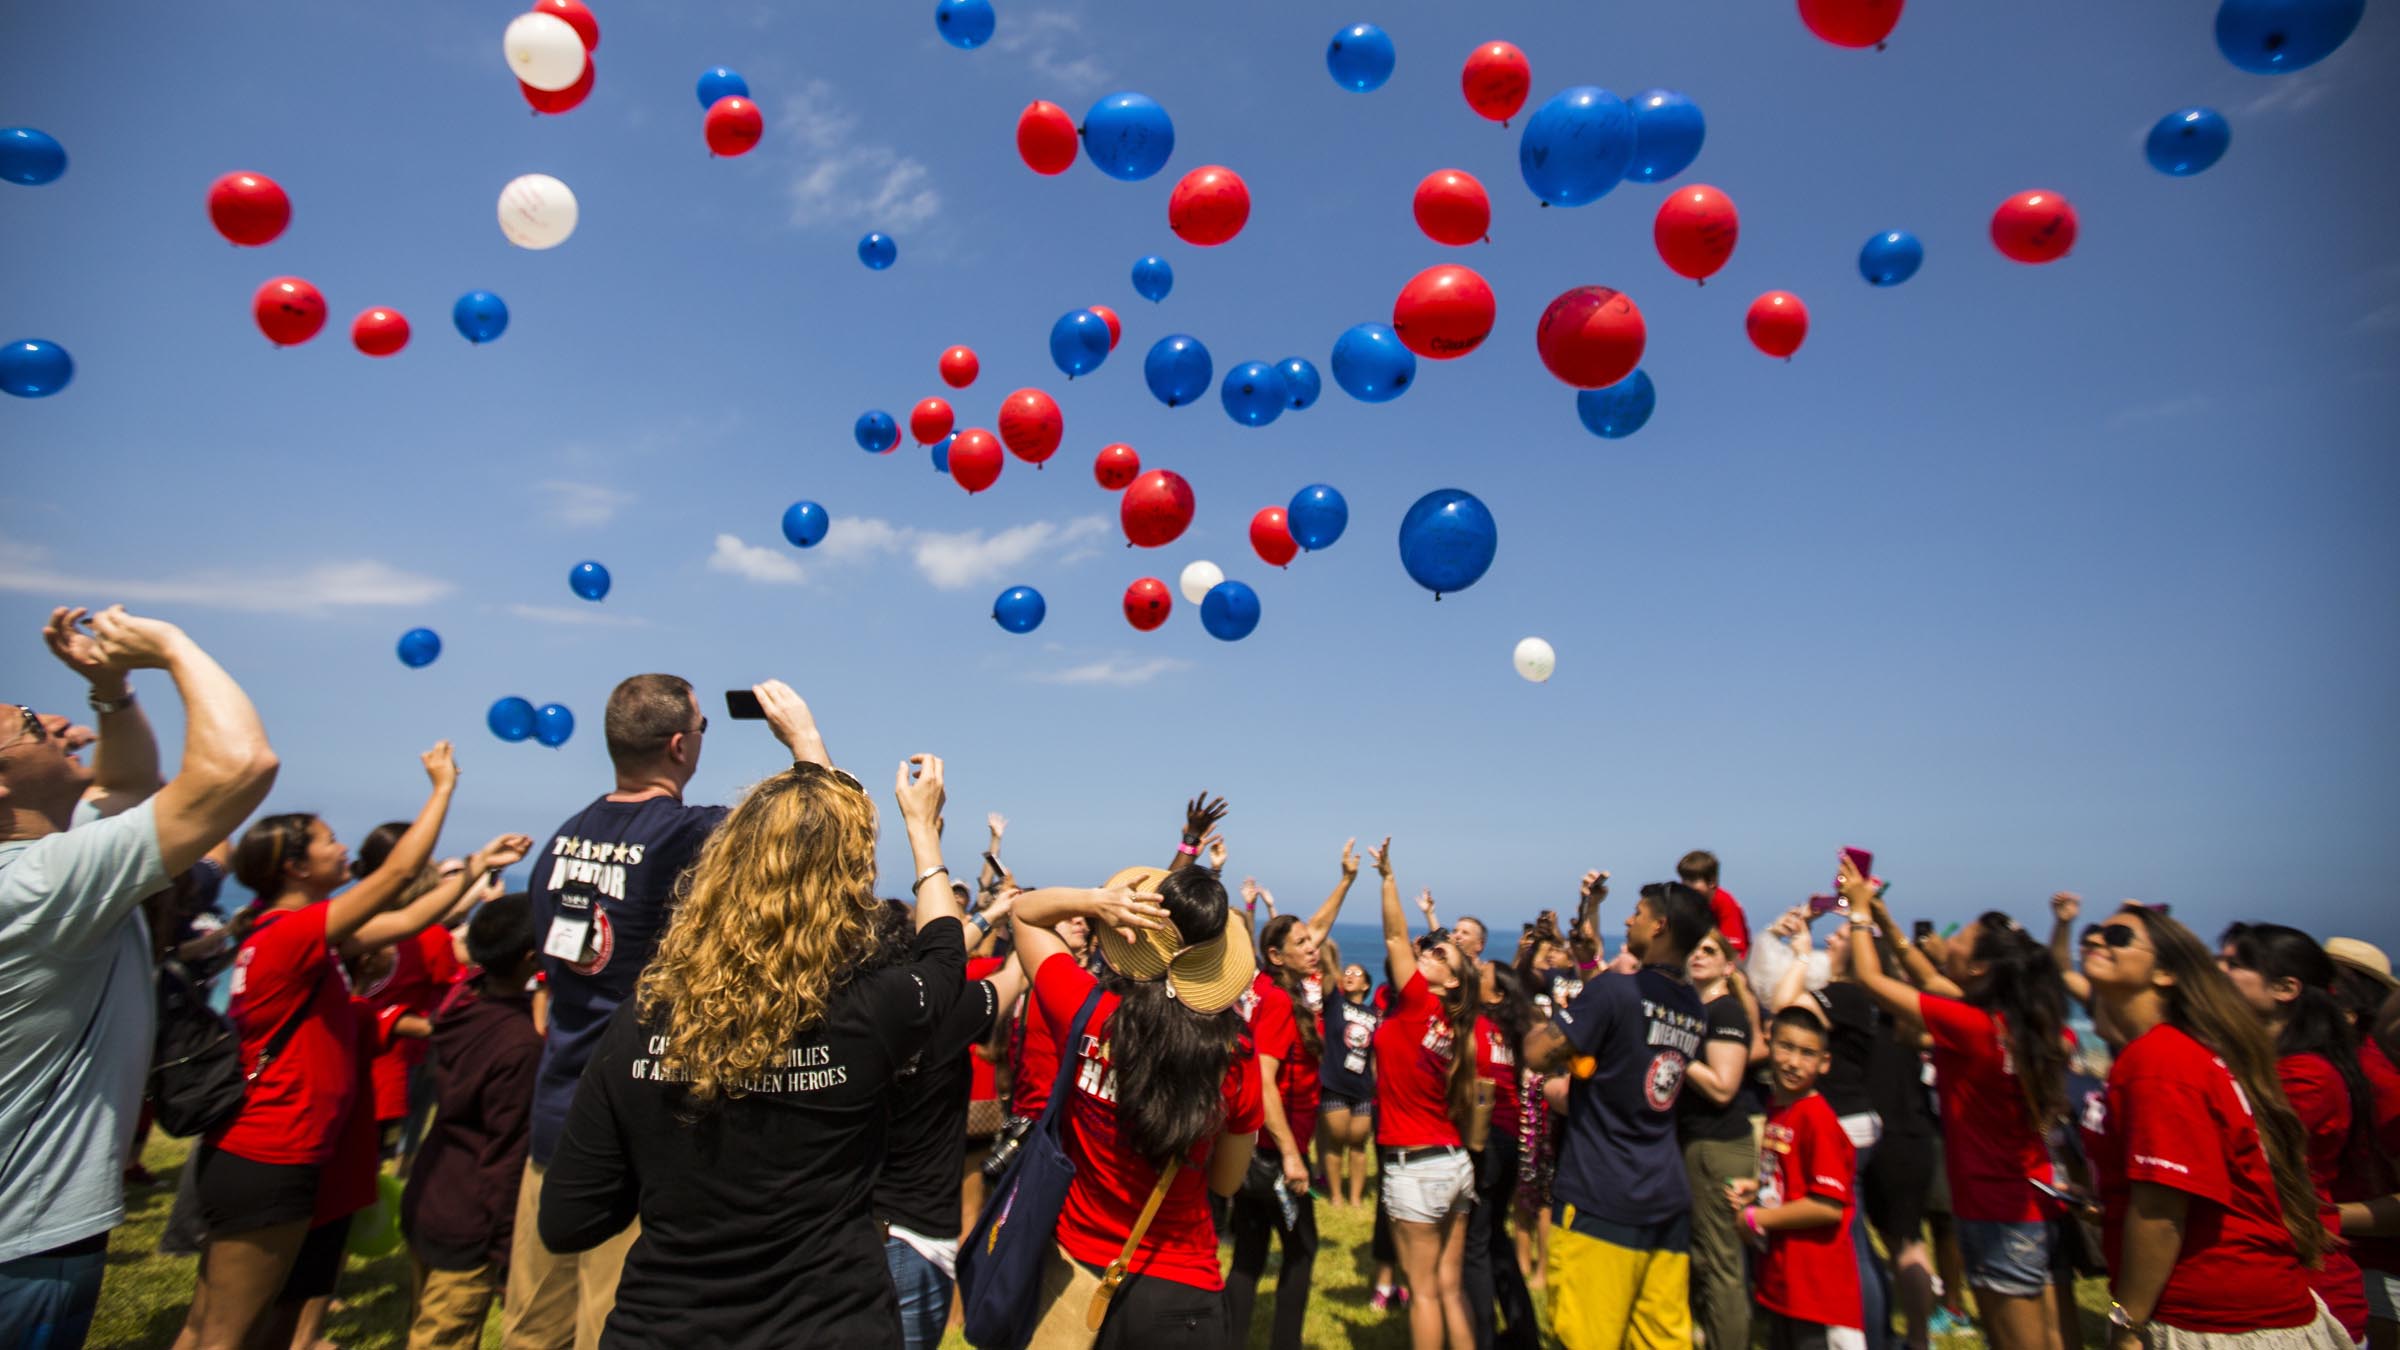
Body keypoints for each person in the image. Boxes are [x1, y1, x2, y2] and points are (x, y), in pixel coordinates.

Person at [536, 731, 968, 1345]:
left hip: (662, 1327)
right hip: (831, 1327)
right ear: (853, 883)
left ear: (721, 866)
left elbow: (570, 1221)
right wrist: (924, 834)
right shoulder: (875, 1009)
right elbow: (946, 958)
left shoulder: (645, 1017)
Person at [509, 674, 823, 1350]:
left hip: (558, 1108)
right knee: (614, 1322)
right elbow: (811, 843)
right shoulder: (689, 835)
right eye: (704, 730)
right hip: (638, 1123)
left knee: (533, 1325)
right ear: (681, 745)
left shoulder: (560, 841)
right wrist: (803, 741)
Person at [2, 606, 278, 1350]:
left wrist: (113, 693)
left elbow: (125, 788)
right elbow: (239, 769)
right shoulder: (38, 888)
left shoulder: (41, 866)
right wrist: (172, 646)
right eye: (25, 721)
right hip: (22, 1247)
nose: (51, 724)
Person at [182, 741, 499, 1350]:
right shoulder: (294, 932)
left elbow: (409, 920)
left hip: (262, 1149)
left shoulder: (283, 929)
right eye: (329, 840)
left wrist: (479, 864)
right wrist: (442, 791)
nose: (341, 848)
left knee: (215, 1324)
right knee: (228, 1333)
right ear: (296, 868)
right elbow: (399, 877)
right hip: (272, 1152)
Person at [2077, 904, 2352, 1347]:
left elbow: (2162, 1211)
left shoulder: (2160, 1060)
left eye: (2118, 938)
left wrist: (2126, 1322)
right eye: (2092, 933)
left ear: (2165, 973)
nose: (2094, 942)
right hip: (2233, 1307)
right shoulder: (2169, 1052)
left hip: (2216, 1316)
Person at [1009, 867, 1262, 1348]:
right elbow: (1226, 1183)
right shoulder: (1234, 1058)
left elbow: (1025, 915)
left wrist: (1096, 900)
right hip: (1184, 1286)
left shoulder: (1085, 1011)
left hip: (1076, 1270)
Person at [1838, 857, 2071, 1350]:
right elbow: (1925, 975)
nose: (1947, 944)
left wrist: (1857, 914)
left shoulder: (1973, 1028)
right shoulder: (2012, 1021)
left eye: (1959, 939)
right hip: (2028, 1201)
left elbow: (1872, 979)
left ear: (1980, 967)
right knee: (2050, 1335)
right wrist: (1879, 913)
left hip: (1995, 1208)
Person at [1520, 876, 1712, 1350]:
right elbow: (1626, 1042)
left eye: (1639, 913)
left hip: (1602, 1195)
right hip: (1664, 1198)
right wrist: (1588, 967)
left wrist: (1543, 1019)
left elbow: (1538, 1053)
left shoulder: (1614, 993)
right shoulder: (1693, 1007)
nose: (1630, 919)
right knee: (1659, 1338)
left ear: (1660, 926)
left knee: (1584, 1336)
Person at [875, 890, 1024, 1350]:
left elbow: (941, 955)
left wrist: (988, 914)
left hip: (863, 1225)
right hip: (916, 1240)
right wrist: (1032, 924)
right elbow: (1015, 974)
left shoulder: (852, 1010)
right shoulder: (943, 1015)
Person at [2220, 923, 2382, 1342]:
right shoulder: (2268, 1064)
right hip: (2272, 1285)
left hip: (2307, 1296)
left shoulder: (2307, 1076)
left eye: (2236, 964)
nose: (2219, 971)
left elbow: (2234, 1154)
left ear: (2286, 988)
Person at [401, 893, 544, 1350]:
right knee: (442, 1338)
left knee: (421, 1324)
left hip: (431, 1193)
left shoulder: (460, 1006)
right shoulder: (519, 1047)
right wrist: (504, 1253)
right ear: (531, 956)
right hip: (470, 1219)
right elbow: (504, 1154)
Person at [1769, 905, 1905, 1349]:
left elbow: (1783, 1008)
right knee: (1858, 1239)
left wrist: (1802, 955)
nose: (1832, 939)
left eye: (1842, 935)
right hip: (1856, 1119)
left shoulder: (1844, 994)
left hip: (1837, 1121)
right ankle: (1875, 1330)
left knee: (1849, 1245)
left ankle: (1861, 1333)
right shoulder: (1862, 998)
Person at [1371, 838, 1480, 1350]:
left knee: (1426, 1294)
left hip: (1416, 1167)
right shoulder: (1453, 1028)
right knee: (1450, 1289)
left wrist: (1387, 876)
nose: (1429, 953)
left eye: (1441, 955)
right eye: (1432, 948)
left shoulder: (1419, 1001)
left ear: (1451, 981)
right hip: (1453, 1162)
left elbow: (1395, 937)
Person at [1728, 1006, 1865, 1350]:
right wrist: (1756, 1189)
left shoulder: (1816, 1119)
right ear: (1769, 1045)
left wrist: (1757, 1217)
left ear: (1824, 1062)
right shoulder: (1781, 1107)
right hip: (1785, 1280)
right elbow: (1790, 1179)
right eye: (1786, 1047)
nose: (1793, 1062)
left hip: (1817, 1289)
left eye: (1807, 1053)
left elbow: (1828, 1205)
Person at [1228, 909, 1330, 1349]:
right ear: (1276, 954)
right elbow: (1263, 1081)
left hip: (1253, 1149)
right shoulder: (1278, 1002)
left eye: (1313, 941)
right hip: (1273, 1151)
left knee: (1249, 1258)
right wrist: (1290, 1154)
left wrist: (1346, 881)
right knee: (1302, 1252)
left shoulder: (1267, 990)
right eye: (1302, 943)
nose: (1313, 948)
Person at [1679, 927, 1762, 1350]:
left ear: (1729, 966)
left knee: (1721, 1263)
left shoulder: (1725, 1013)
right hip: (1696, 1144)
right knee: (1703, 1256)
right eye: (1695, 948)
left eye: (1710, 950)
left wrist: (1674, 1048)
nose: (1699, 955)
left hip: (1719, 1146)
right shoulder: (1696, 1008)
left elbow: (1723, 1086)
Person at [2324, 937, 2400, 1350]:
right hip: (2345, 1266)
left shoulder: (2379, 1082)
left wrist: (2320, 1217)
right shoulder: (2333, 1069)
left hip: (2377, 1274)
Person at [1464, 962, 1540, 1350]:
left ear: (1495, 996)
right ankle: (1524, 1330)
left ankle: (1481, 1337)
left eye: (1481, 977)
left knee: (1473, 1245)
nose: (1472, 975)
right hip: (1511, 1143)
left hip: (1487, 1142)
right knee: (1496, 1237)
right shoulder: (1512, 1032)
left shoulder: (1476, 1027)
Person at [1320, 962, 1381, 1209]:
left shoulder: (1373, 1014)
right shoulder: (1335, 1004)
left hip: (1363, 1087)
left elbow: (1376, 1053)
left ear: (1366, 984)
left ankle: (1355, 1197)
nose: (1349, 975)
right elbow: (1327, 966)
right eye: (1347, 972)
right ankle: (1335, 1196)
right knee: (1335, 1140)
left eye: (1356, 973)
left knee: (1358, 1143)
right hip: (1335, 1082)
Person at [1677, 850, 1750, 962]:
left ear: (1712, 882)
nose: (1687, 886)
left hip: (1733, 964)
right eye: (1684, 880)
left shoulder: (1725, 902)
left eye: (1693, 880)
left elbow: (1734, 951)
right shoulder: (1687, 904)